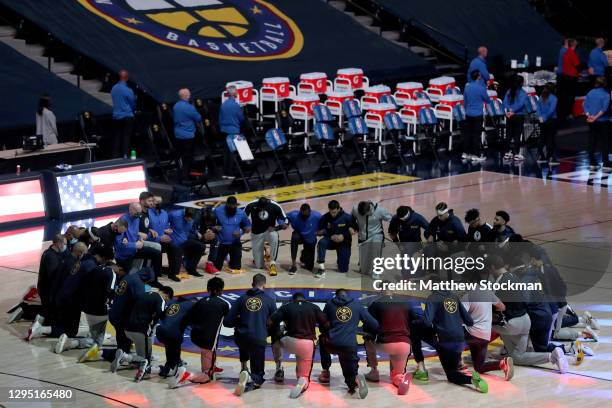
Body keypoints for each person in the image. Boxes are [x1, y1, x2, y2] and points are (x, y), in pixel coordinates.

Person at [488, 255, 569, 373]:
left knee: (485, 323)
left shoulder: (499, 283)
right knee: (518, 356)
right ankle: (552, 356)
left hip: (513, 325)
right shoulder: (515, 277)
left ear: (492, 267)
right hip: (527, 321)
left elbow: (495, 306)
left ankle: (479, 356)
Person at [54, 246, 115, 360]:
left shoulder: (87, 264)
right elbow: (108, 293)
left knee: (86, 331)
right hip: (76, 301)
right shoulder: (97, 268)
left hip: (75, 301)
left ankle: (72, 341)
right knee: (95, 340)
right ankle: (72, 343)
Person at [423, 287, 488, 393]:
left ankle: (471, 379)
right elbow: (469, 321)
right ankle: (461, 367)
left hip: (446, 340)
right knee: (453, 366)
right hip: (460, 340)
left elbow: (426, 322)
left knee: (451, 375)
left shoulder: (433, 298)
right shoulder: (454, 296)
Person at [169, 277, 229, 388]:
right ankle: (187, 375)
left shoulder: (200, 301)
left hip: (195, 336)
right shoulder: (224, 304)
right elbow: (228, 322)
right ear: (219, 290)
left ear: (208, 289)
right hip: (208, 340)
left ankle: (211, 366)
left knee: (206, 350)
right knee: (207, 376)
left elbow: (189, 318)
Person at [225, 274, 279, 395]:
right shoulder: (270, 301)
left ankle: (244, 368)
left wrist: (240, 320)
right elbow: (275, 324)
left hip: (241, 338)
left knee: (244, 339)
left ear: (252, 284)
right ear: (264, 285)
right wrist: (265, 332)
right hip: (258, 339)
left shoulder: (240, 299)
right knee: (258, 376)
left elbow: (227, 322)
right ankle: (252, 378)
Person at [319, 289, 378, 399]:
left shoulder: (329, 305)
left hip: (331, 344)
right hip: (349, 345)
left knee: (322, 339)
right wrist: (371, 334)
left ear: (335, 296)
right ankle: (354, 380)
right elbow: (373, 324)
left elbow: (322, 324)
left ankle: (326, 371)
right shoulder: (357, 305)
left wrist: (328, 331)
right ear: (347, 295)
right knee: (350, 368)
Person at [268, 292, 329, 399]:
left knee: (275, 338)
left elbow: (270, 322)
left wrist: (279, 331)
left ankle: (279, 368)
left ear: (293, 299)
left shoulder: (286, 307)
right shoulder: (314, 307)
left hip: (289, 342)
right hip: (307, 345)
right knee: (304, 375)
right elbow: (326, 324)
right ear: (304, 299)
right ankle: (302, 381)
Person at [27, 242, 88, 341]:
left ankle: (38, 324)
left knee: (60, 324)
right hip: (66, 301)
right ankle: (40, 329)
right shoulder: (73, 265)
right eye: (85, 253)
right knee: (70, 331)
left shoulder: (66, 259)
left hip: (57, 297)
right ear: (80, 253)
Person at [363, 291, 416, 395]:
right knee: (397, 373)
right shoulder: (406, 303)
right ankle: (399, 378)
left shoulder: (376, 303)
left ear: (380, 291)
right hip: (404, 345)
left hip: (386, 344)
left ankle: (374, 371)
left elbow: (369, 325)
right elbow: (414, 321)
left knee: (368, 340)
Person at [461, 287, 514, 380]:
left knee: (452, 335)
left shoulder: (467, 296)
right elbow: (502, 307)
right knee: (479, 367)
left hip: (471, 333)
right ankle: (502, 363)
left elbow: (461, 315)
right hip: (485, 335)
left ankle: (458, 365)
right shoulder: (489, 294)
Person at [123, 286, 174, 382]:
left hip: (127, 328)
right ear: (166, 295)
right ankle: (127, 358)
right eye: (167, 300)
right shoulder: (160, 300)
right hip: (140, 331)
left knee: (141, 352)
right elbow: (161, 315)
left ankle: (129, 358)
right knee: (146, 360)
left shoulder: (144, 294)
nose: (166, 301)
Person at [109, 267, 154, 371]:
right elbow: (140, 302)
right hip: (123, 317)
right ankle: (125, 358)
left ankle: (116, 354)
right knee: (125, 343)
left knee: (122, 341)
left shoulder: (129, 277)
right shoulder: (138, 283)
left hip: (115, 313)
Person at [30, 234, 67, 333]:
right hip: (48, 290)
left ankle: (35, 323)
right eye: (64, 244)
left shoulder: (49, 253)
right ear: (58, 243)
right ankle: (27, 313)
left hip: (45, 288)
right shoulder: (51, 257)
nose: (65, 246)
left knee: (46, 309)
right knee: (48, 311)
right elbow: (53, 276)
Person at [244, 197, 288, 276]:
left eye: (263, 207)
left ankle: (272, 263)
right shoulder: (251, 205)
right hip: (256, 233)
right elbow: (242, 216)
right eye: (260, 207)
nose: (261, 209)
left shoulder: (275, 205)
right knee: (259, 266)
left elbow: (285, 220)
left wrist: (277, 227)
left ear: (267, 204)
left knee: (274, 236)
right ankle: (262, 253)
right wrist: (247, 225)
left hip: (269, 231)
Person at [155, 296, 195, 378]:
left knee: (169, 345)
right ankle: (173, 368)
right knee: (176, 341)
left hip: (160, 330)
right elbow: (192, 322)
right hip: (172, 333)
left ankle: (169, 365)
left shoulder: (173, 303)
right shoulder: (191, 305)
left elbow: (162, 316)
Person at [316, 200, 356, 278]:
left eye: (334, 212)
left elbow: (355, 230)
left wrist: (344, 236)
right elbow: (320, 231)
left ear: (338, 209)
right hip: (331, 241)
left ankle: (340, 260)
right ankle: (321, 268)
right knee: (321, 243)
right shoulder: (325, 217)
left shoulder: (348, 217)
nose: (332, 214)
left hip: (344, 242)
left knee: (343, 270)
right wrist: (326, 234)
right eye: (331, 212)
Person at [352, 200, 392, 277]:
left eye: (366, 214)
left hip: (377, 234)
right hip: (362, 237)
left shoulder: (380, 210)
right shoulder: (355, 209)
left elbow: (392, 219)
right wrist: (353, 227)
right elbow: (351, 219)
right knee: (364, 271)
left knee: (375, 250)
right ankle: (363, 264)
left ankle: (377, 270)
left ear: (370, 209)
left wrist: (392, 231)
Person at [213, 196, 251, 274]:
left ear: (236, 205)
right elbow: (208, 222)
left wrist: (241, 232)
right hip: (221, 244)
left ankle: (230, 261)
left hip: (235, 243)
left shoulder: (241, 213)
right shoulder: (217, 211)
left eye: (234, 207)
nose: (232, 208)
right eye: (230, 207)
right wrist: (214, 227)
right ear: (226, 204)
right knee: (217, 268)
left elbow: (248, 225)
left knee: (236, 268)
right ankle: (225, 258)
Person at [165, 207, 205, 281]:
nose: (189, 220)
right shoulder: (174, 214)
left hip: (185, 240)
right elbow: (164, 222)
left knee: (201, 246)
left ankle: (191, 269)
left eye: (191, 219)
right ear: (184, 214)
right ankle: (172, 274)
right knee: (175, 271)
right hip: (174, 242)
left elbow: (191, 228)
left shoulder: (194, 217)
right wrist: (165, 231)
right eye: (188, 218)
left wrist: (196, 232)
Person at [173, 88, 202, 179]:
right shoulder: (189, 107)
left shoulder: (175, 106)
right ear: (185, 96)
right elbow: (198, 118)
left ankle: (181, 173)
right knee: (188, 157)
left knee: (180, 155)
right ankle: (186, 176)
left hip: (178, 135)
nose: (190, 95)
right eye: (188, 94)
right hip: (188, 136)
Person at [462, 70, 491, 161]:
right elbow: (487, 100)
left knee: (467, 134)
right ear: (478, 77)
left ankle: (466, 153)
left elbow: (465, 101)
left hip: (468, 114)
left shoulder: (467, 87)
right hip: (477, 115)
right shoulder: (481, 87)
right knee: (476, 135)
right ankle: (475, 155)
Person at [286, 203, 321, 274]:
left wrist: (322, 231)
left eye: (306, 215)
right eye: (303, 215)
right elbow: (283, 217)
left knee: (309, 267)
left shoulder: (317, 216)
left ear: (310, 212)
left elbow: (326, 223)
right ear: (300, 212)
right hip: (299, 236)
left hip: (310, 238)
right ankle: (293, 265)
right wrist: (285, 223)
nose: (304, 217)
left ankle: (304, 254)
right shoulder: (294, 215)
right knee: (294, 237)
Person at [584, 77, 610, 168]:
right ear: (605, 84)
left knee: (592, 140)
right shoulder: (606, 95)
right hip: (602, 121)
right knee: (605, 142)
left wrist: (589, 116)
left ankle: (592, 162)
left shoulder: (590, 92)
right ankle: (606, 162)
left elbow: (585, 105)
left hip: (591, 121)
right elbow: (604, 109)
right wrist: (595, 117)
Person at [219, 85, 245, 179]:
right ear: (234, 93)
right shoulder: (235, 105)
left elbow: (220, 118)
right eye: (237, 91)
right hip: (233, 131)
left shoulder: (224, 104)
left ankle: (225, 172)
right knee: (232, 153)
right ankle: (231, 173)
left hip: (224, 131)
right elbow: (241, 118)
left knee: (226, 152)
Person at [110, 69, 136, 158]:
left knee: (117, 136)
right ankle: (125, 155)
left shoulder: (113, 88)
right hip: (127, 116)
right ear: (127, 78)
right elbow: (132, 103)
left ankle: (115, 156)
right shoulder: (128, 90)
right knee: (126, 137)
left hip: (116, 116)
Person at [503, 75, 528, 161]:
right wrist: (513, 111)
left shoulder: (509, 91)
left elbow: (505, 102)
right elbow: (521, 104)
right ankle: (516, 154)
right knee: (517, 135)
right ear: (521, 83)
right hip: (518, 116)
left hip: (509, 116)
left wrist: (508, 111)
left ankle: (507, 153)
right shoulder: (523, 93)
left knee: (509, 134)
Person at [558, 39, 581, 123]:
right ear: (574, 45)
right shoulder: (572, 53)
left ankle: (564, 114)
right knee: (570, 97)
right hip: (571, 78)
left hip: (565, 76)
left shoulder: (566, 52)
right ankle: (569, 114)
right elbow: (578, 66)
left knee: (565, 96)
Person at [536, 83, 559, 165]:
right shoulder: (554, 98)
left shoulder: (541, 97)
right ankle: (551, 158)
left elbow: (538, 108)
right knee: (550, 139)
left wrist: (540, 117)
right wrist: (544, 117)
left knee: (542, 138)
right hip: (551, 120)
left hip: (542, 121)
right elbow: (551, 110)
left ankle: (541, 156)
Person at [195, 206, 221, 275]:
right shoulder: (197, 217)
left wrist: (213, 230)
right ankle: (187, 260)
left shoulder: (215, 216)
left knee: (216, 239)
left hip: (206, 233)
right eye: (207, 222)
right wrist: (200, 235)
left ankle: (210, 264)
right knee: (197, 243)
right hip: (196, 235)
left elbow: (219, 227)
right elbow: (191, 230)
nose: (208, 223)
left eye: (210, 222)